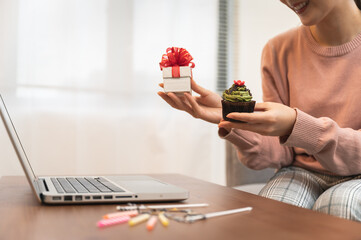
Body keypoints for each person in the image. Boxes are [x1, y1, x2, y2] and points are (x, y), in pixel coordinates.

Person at [158, 0, 361, 222]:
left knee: (340, 205)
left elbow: (294, 127)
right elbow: (280, 152)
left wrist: (297, 125)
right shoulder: (278, 49)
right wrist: (234, 119)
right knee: (274, 211)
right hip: (301, 172)